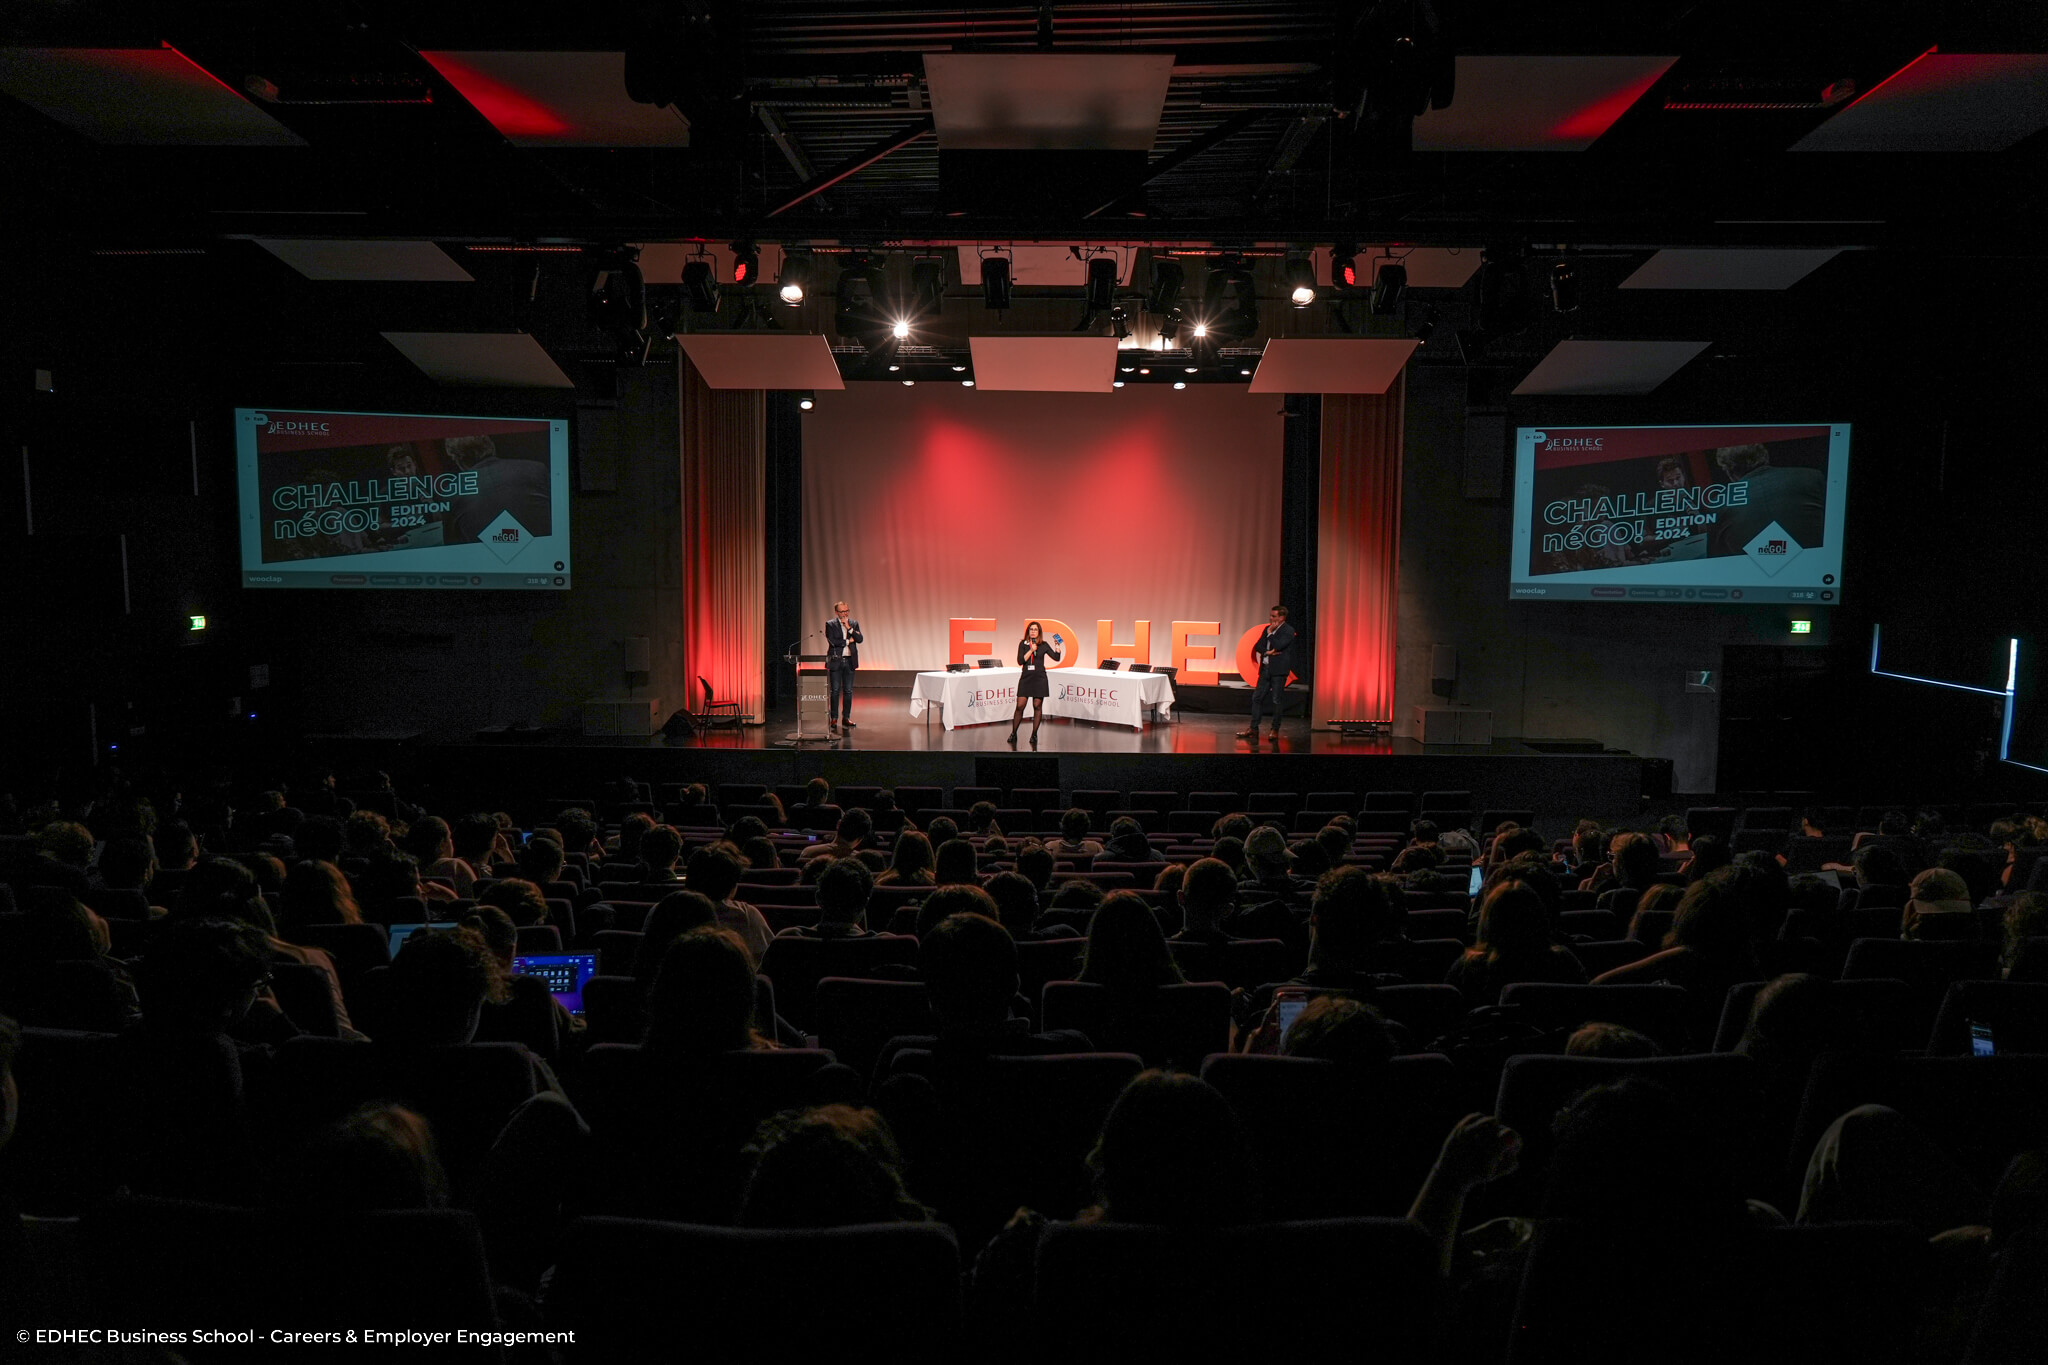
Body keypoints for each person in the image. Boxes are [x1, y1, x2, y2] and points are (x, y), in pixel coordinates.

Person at [1239, 604, 1297, 743]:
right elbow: (1258, 646)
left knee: (1276, 700)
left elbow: (1279, 645)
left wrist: (1270, 634)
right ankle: (1253, 728)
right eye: (1270, 616)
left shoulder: (1288, 630)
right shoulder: (1267, 629)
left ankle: (1274, 730)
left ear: (1282, 617)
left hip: (1278, 671)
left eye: (1274, 616)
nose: (1271, 618)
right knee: (1257, 698)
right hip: (1265, 670)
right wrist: (1267, 652)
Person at [1008, 621, 1061, 747]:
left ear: (1039, 632)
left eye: (1035, 629)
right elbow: (1020, 661)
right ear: (1028, 631)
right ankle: (1014, 733)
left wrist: (1058, 647)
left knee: (1037, 706)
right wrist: (1031, 650)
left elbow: (1056, 658)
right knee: (1020, 705)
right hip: (1026, 678)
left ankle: (1034, 734)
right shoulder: (1023, 644)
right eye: (1031, 629)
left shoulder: (1044, 645)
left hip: (1039, 679)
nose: (1033, 631)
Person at [825, 600, 864, 734]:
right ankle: (834, 718)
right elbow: (833, 641)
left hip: (849, 661)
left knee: (848, 691)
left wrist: (849, 628)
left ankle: (846, 717)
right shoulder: (830, 624)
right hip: (836, 660)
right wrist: (848, 641)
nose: (845, 613)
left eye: (846, 610)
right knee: (835, 690)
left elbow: (860, 639)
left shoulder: (853, 623)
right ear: (836, 612)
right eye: (842, 611)